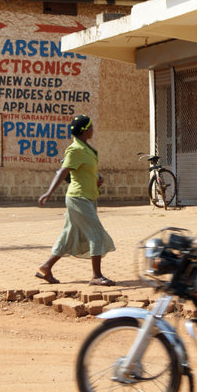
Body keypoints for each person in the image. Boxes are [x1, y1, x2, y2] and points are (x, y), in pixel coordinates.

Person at [36, 115, 116, 286]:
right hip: (78, 199)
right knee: (96, 233)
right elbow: (63, 172)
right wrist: (48, 193)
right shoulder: (75, 149)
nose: (93, 129)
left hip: (89, 196)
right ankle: (96, 276)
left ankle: (46, 266)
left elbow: (84, 172)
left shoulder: (86, 149)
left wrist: (97, 179)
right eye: (91, 127)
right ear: (85, 130)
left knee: (69, 236)